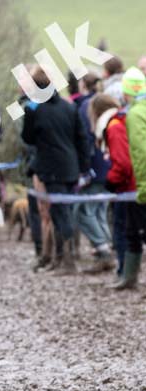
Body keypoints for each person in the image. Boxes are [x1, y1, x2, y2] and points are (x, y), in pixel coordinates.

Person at [21, 65, 91, 274]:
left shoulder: (35, 109)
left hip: (50, 169)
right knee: (63, 211)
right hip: (71, 168)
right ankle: (59, 259)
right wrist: (84, 168)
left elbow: (28, 138)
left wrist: (30, 116)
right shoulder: (69, 107)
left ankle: (67, 262)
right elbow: (82, 139)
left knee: (60, 214)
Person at [75, 72, 115, 273]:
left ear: (83, 84)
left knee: (83, 211)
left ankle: (103, 249)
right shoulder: (109, 104)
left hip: (95, 167)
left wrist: (84, 169)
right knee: (100, 210)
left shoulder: (86, 107)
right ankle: (106, 248)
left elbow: (85, 140)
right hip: (110, 166)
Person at [90, 93, 133, 279]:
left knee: (122, 231)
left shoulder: (114, 127)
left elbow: (122, 162)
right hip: (129, 186)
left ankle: (125, 273)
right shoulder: (121, 121)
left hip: (127, 187)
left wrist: (111, 180)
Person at [115, 68, 146, 289]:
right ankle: (129, 277)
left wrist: (143, 188)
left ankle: (130, 278)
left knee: (136, 231)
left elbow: (140, 153)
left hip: (140, 185)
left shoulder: (135, 114)